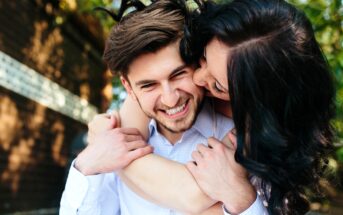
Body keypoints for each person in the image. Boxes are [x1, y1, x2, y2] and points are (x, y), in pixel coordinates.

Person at [88, 0, 335, 214]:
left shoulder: (263, 139)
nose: (198, 78)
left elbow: (191, 194)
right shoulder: (146, 101)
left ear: (253, 103)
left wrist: (241, 198)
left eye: (217, 85)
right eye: (202, 59)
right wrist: (106, 144)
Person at [60, 0, 267, 214]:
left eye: (178, 74)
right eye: (149, 85)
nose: (170, 100)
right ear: (128, 88)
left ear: (198, 64)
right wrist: (85, 164)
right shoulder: (112, 145)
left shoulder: (243, 140)